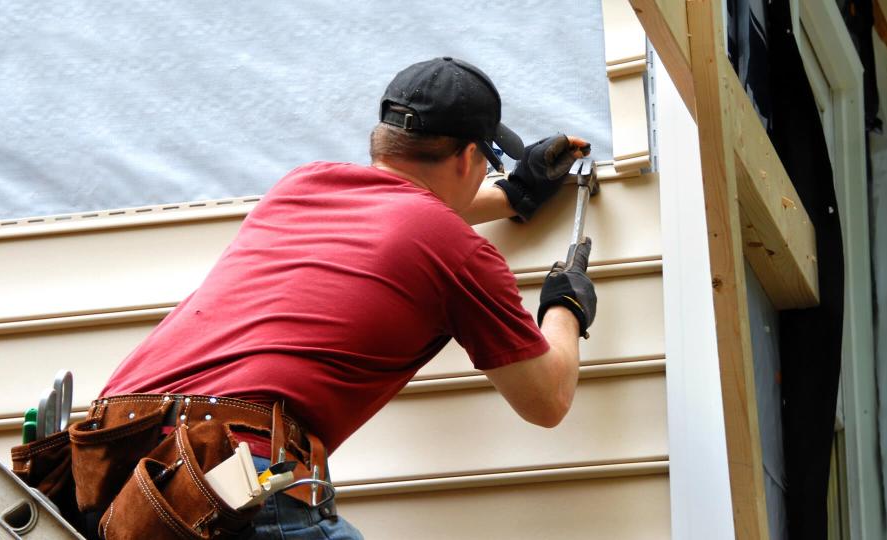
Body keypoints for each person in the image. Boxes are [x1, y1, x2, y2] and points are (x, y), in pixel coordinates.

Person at [92, 57, 597, 538]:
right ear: (469, 157)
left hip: (114, 455)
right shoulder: (457, 250)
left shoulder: (301, 186)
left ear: (385, 140)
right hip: (226, 470)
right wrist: (564, 307)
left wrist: (515, 194)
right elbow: (546, 400)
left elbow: (398, 219)